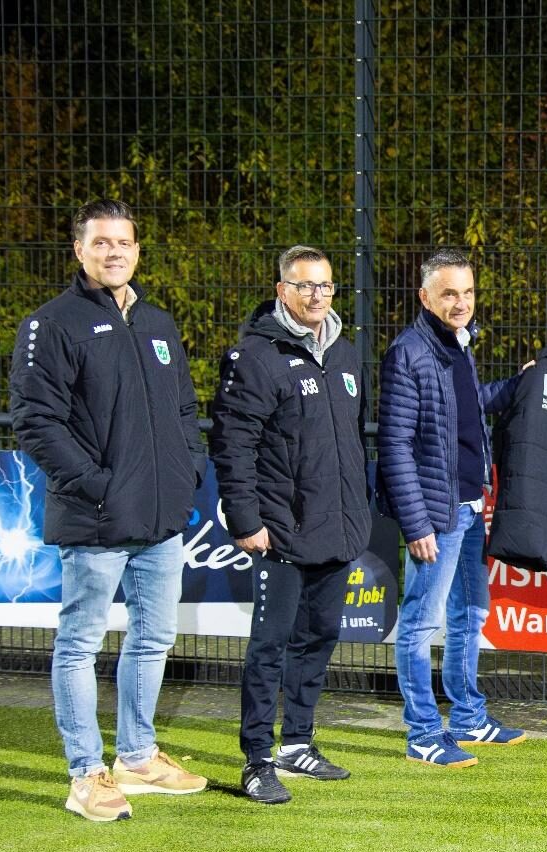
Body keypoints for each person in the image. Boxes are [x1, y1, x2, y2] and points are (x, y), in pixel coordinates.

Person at [9, 199, 208, 821]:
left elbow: (183, 410)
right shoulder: (52, 323)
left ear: (137, 249)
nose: (114, 252)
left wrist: (185, 474)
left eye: (123, 242)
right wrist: (99, 485)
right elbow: (36, 423)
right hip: (95, 517)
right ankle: (84, 775)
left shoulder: (157, 321)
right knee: (80, 644)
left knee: (153, 639)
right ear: (79, 251)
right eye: (101, 243)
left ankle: (138, 757)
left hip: (160, 517)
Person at [209, 246, 371, 804]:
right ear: (282, 291)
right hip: (279, 531)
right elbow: (232, 445)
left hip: (337, 529)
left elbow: (351, 441)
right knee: (270, 646)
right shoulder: (255, 357)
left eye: (324, 287)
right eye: (304, 286)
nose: (316, 296)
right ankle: (257, 758)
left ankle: (297, 743)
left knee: (319, 638)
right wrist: (246, 519)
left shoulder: (346, 355)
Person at [377, 249, 527, 769]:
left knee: (469, 614)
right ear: (425, 297)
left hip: (469, 507)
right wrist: (417, 523)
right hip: (437, 517)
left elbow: (466, 407)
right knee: (421, 624)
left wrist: (515, 386)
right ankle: (422, 732)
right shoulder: (409, 352)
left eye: (466, 292)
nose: (460, 302)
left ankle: (467, 718)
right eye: (448, 293)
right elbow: (394, 445)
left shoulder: (457, 345)